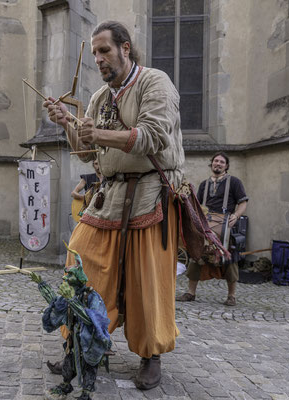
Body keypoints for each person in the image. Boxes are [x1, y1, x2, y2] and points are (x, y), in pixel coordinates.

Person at [43, 21, 184, 390]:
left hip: (151, 192)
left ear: (125, 48)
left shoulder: (156, 82)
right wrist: (66, 124)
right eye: (94, 53)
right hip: (110, 195)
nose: (98, 58)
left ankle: (150, 356)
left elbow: (154, 136)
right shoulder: (100, 98)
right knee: (81, 260)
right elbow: (88, 151)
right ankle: (82, 343)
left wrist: (98, 133)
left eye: (104, 50)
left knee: (146, 282)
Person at [176, 152, 248, 306]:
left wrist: (236, 215)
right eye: (216, 161)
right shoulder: (204, 184)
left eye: (222, 162)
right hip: (206, 225)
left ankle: (231, 296)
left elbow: (243, 202)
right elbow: (198, 205)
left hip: (226, 226)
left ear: (226, 166)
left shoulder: (234, 182)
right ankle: (191, 293)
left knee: (230, 260)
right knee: (198, 256)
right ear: (212, 164)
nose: (218, 164)